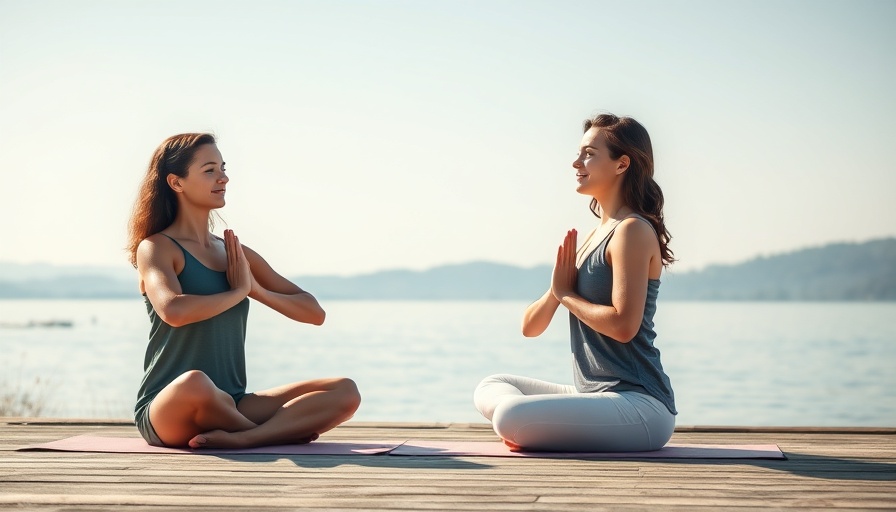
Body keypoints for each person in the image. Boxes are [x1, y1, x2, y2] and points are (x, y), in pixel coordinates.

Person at [126, 133, 361, 449]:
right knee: (196, 383)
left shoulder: (234, 253)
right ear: (176, 182)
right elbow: (174, 311)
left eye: (222, 167)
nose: (223, 177)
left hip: (233, 403)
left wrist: (255, 291)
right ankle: (270, 433)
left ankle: (248, 437)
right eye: (209, 170)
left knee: (345, 391)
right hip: (169, 406)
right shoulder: (156, 248)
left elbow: (313, 312)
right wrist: (237, 292)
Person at [473, 113, 677, 452]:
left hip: (641, 406)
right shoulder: (594, 236)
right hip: (595, 395)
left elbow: (624, 326)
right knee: (493, 385)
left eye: (589, 153)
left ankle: (528, 426)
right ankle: (533, 425)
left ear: (621, 164)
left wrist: (567, 294)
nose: (576, 162)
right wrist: (558, 292)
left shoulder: (632, 231)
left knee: (509, 415)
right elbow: (530, 327)